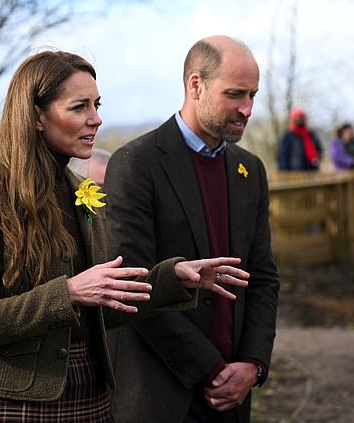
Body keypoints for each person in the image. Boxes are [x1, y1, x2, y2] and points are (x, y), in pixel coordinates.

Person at [0, 50, 251, 422]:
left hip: (94, 395)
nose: (96, 119)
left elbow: (104, 306)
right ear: (37, 116)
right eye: (79, 107)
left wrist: (171, 279)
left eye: (97, 104)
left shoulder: (82, 193)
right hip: (26, 405)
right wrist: (70, 291)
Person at [104, 36, 280, 422]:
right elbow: (131, 285)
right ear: (195, 85)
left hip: (233, 398)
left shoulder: (250, 170)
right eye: (235, 94)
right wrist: (212, 369)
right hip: (161, 397)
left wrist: (252, 364)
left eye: (252, 95)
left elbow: (262, 277)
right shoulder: (136, 164)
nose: (247, 109)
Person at [277, 107, 322, 171]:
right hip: (294, 171)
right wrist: (284, 171)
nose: (301, 120)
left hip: (311, 169)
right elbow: (283, 155)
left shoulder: (311, 135)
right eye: (299, 118)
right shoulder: (288, 136)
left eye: (302, 118)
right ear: (294, 119)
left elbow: (318, 149)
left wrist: (317, 160)